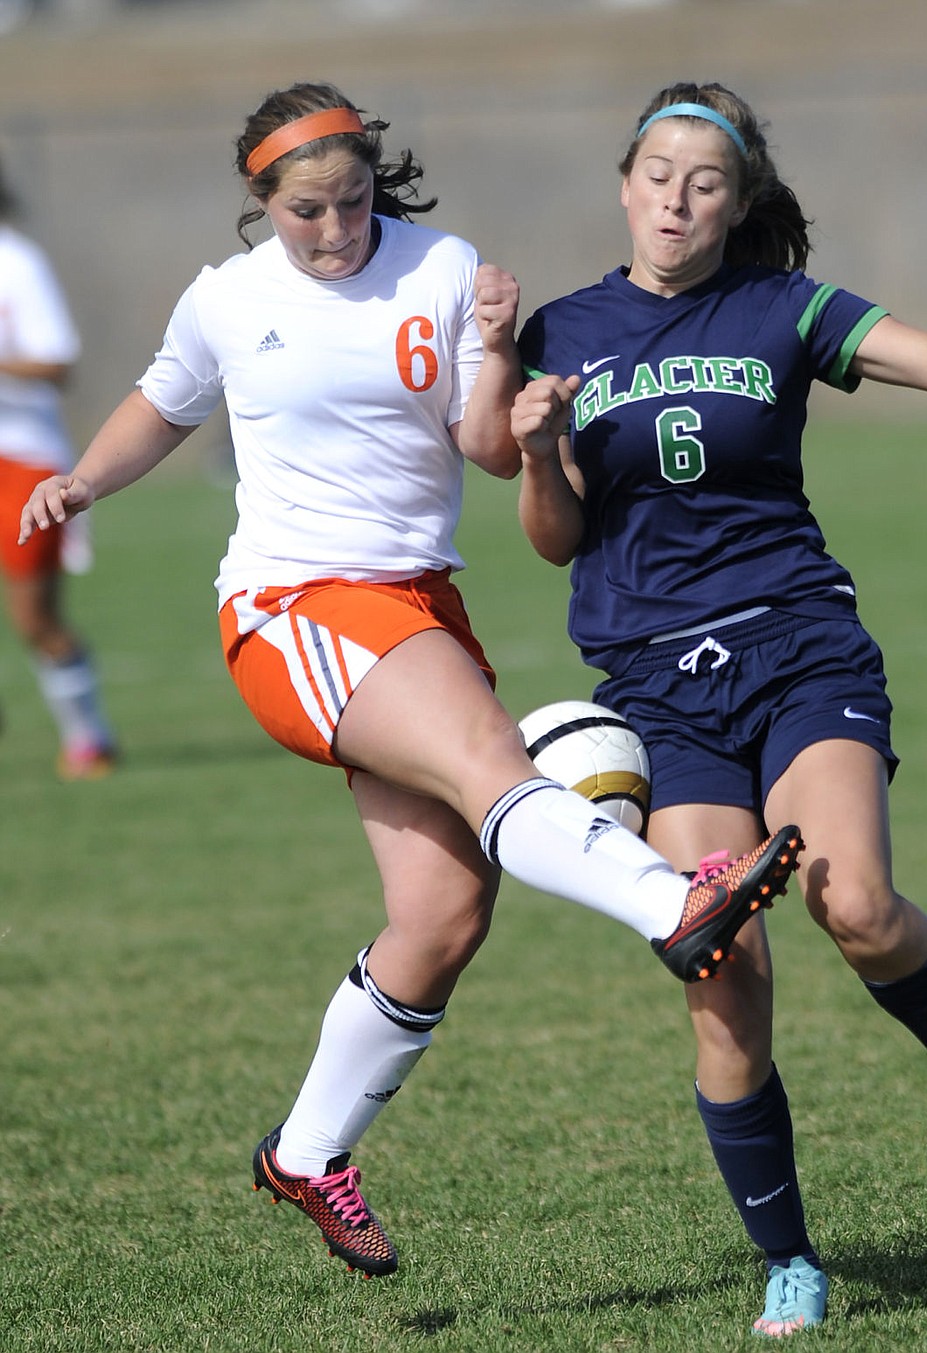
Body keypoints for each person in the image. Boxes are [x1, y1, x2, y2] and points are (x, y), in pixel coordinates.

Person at [18, 81, 803, 1281]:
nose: (331, 231)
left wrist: (497, 352)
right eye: (303, 213)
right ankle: (670, 903)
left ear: (375, 182)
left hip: (420, 600)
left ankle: (309, 1150)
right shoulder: (229, 301)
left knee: (442, 918)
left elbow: (487, 454)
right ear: (261, 204)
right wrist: (80, 479)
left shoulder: (442, 268)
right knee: (499, 769)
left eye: (349, 203)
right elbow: (158, 405)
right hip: (295, 605)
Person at [512, 81, 927, 1339]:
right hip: (658, 690)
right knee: (725, 969)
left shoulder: (786, 309)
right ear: (624, 184)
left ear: (738, 203)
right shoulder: (561, 330)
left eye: (705, 180)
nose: (677, 196)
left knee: (858, 903)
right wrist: (542, 447)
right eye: (658, 173)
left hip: (797, 643)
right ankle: (790, 1261)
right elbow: (554, 540)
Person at [0, 153, 117, 779]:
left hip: (22, 460)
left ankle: (89, 737)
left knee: (34, 618)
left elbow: (58, 361)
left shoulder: (16, 264)